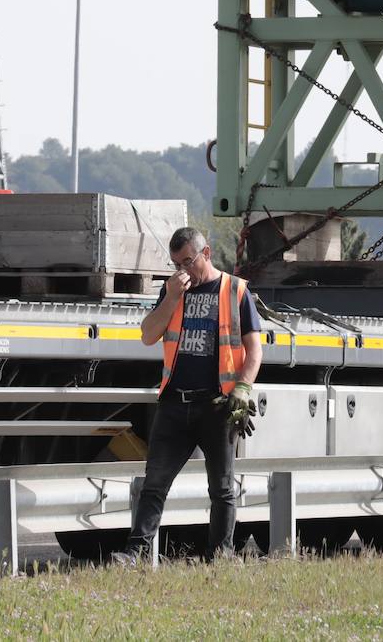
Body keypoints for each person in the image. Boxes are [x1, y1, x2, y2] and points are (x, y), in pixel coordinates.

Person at [116, 226, 262, 563]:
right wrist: (170, 298)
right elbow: (148, 335)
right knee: (155, 483)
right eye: (176, 264)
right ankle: (134, 553)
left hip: (217, 405)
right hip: (174, 403)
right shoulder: (174, 292)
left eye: (188, 262)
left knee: (222, 489)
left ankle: (220, 555)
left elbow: (255, 351)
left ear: (206, 254)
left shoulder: (234, 290)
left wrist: (242, 388)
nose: (183, 271)